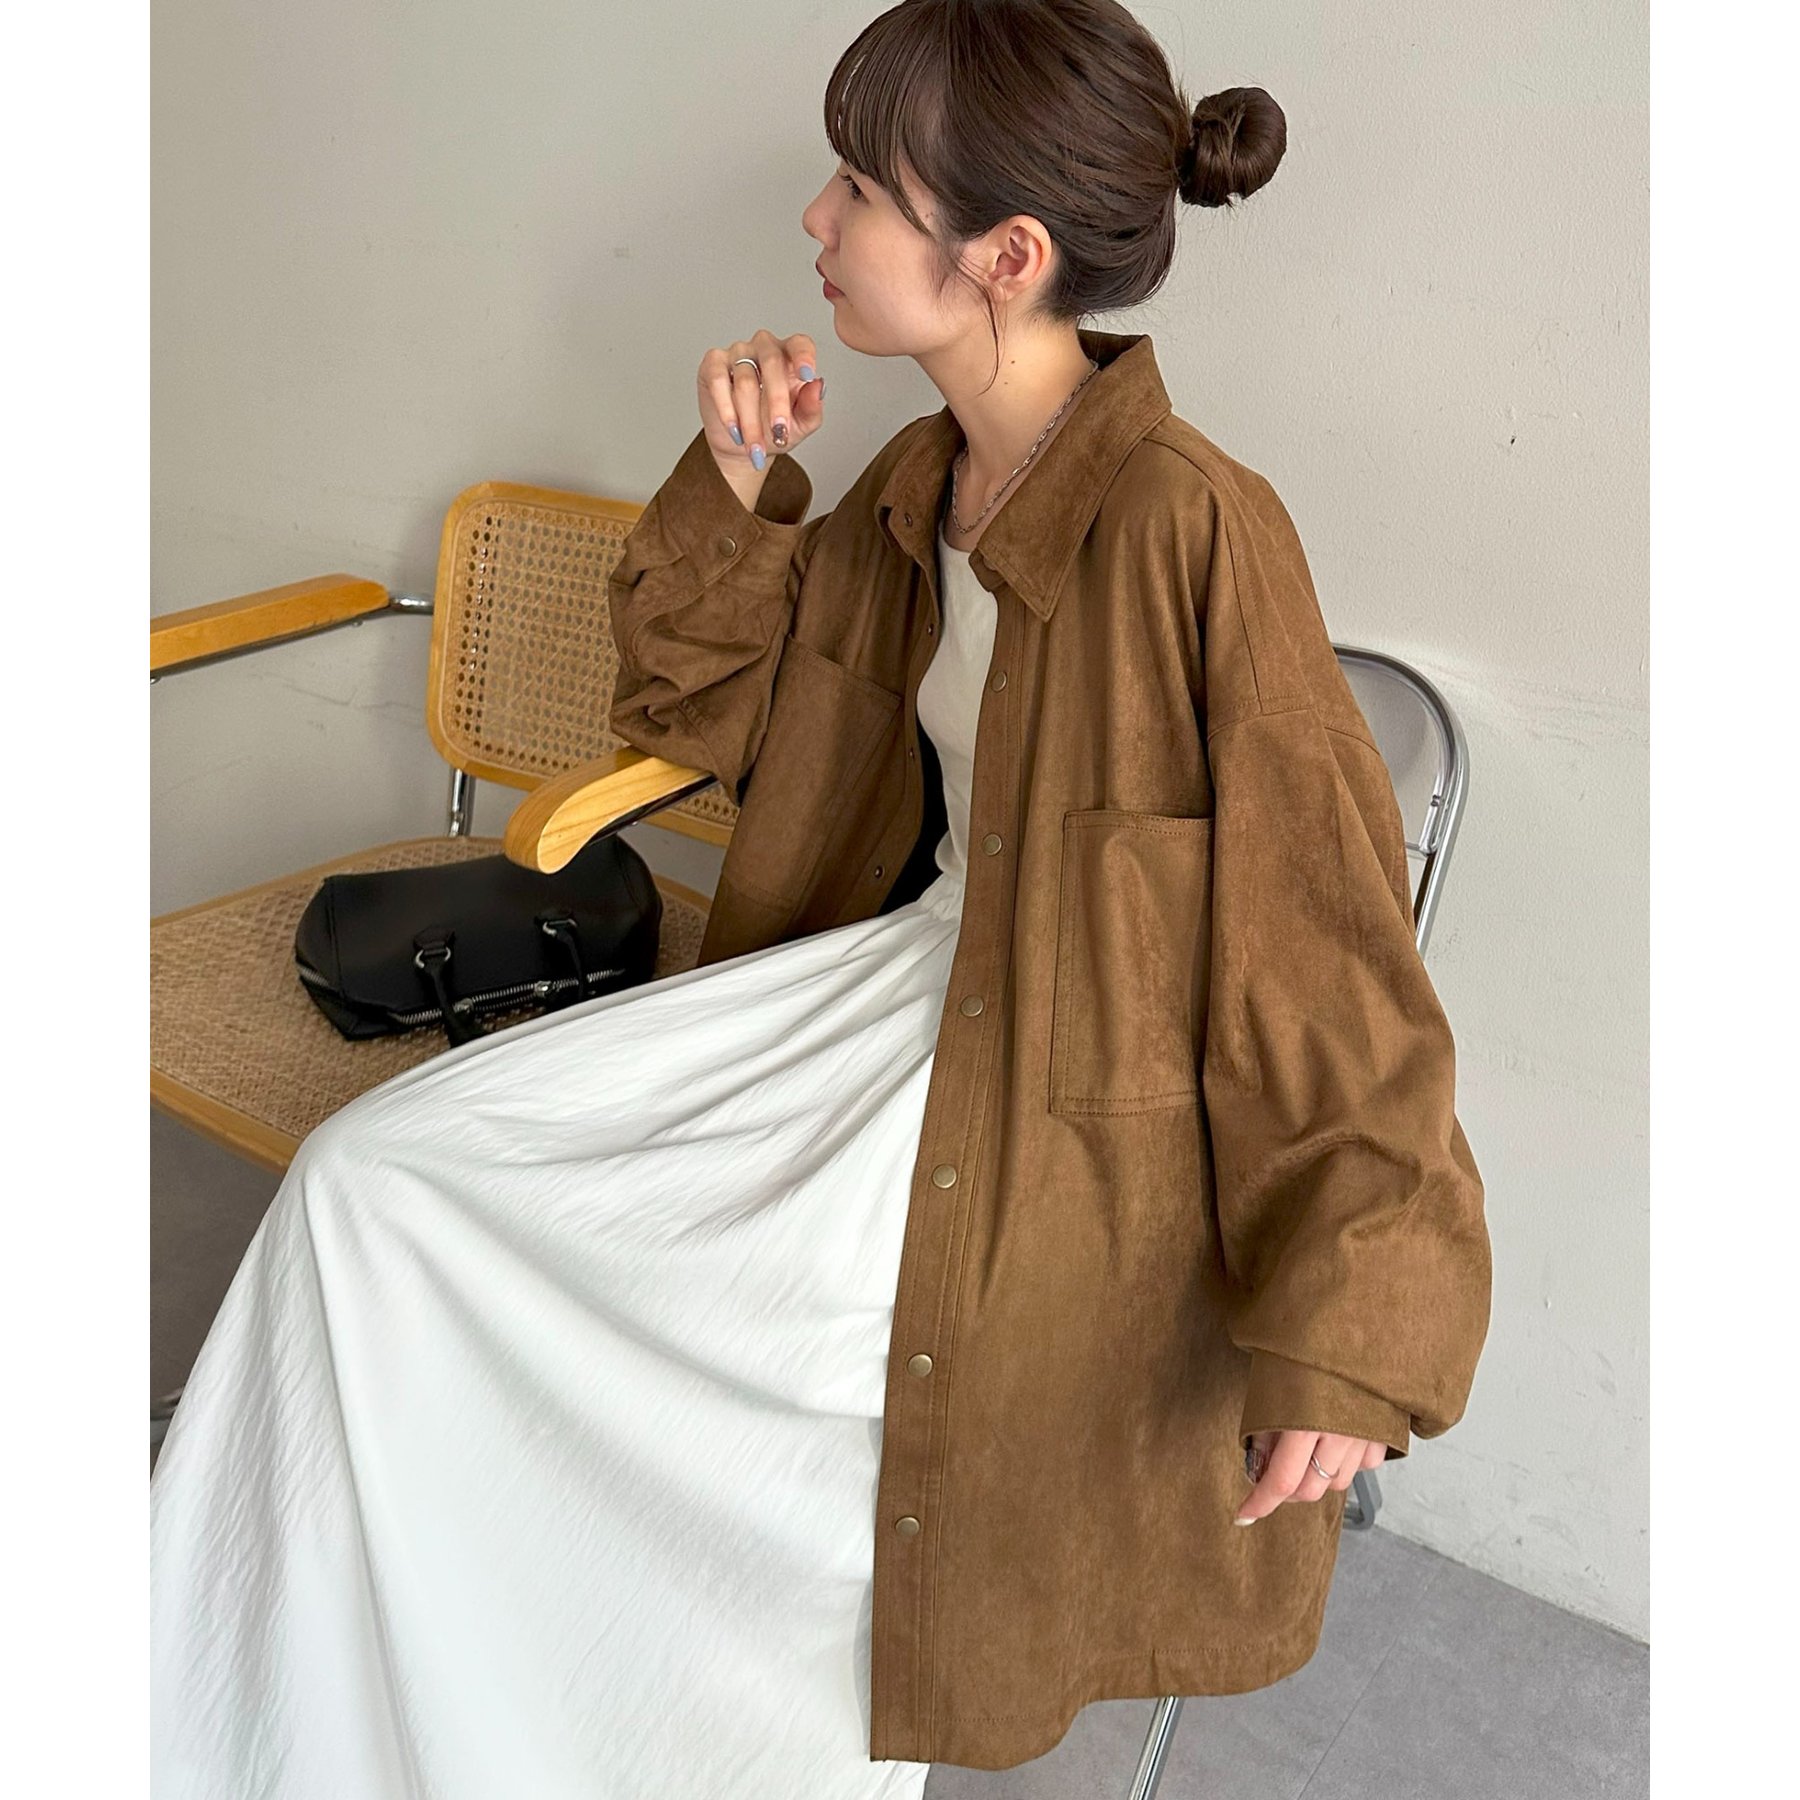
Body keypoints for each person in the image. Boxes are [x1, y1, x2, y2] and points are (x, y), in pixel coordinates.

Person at [151, 2, 1492, 1793]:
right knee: (372, 1187)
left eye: (862, 186)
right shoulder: (917, 482)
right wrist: (732, 488)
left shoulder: (1197, 528)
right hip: (884, 992)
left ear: (1005, 256)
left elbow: (1328, 953)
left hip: (1052, 1092)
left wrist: (1358, 1329)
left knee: (732, 1387)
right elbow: (713, 725)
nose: (815, 217)